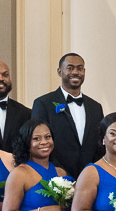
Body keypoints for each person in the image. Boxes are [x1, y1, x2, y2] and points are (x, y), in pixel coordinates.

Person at [28, 53, 106, 181]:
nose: (75, 72)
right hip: (55, 177)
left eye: (80, 68)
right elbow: (37, 142)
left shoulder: (96, 107)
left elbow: (100, 144)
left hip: (90, 178)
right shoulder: (43, 103)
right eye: (70, 68)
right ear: (59, 72)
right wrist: (58, 171)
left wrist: (93, 172)